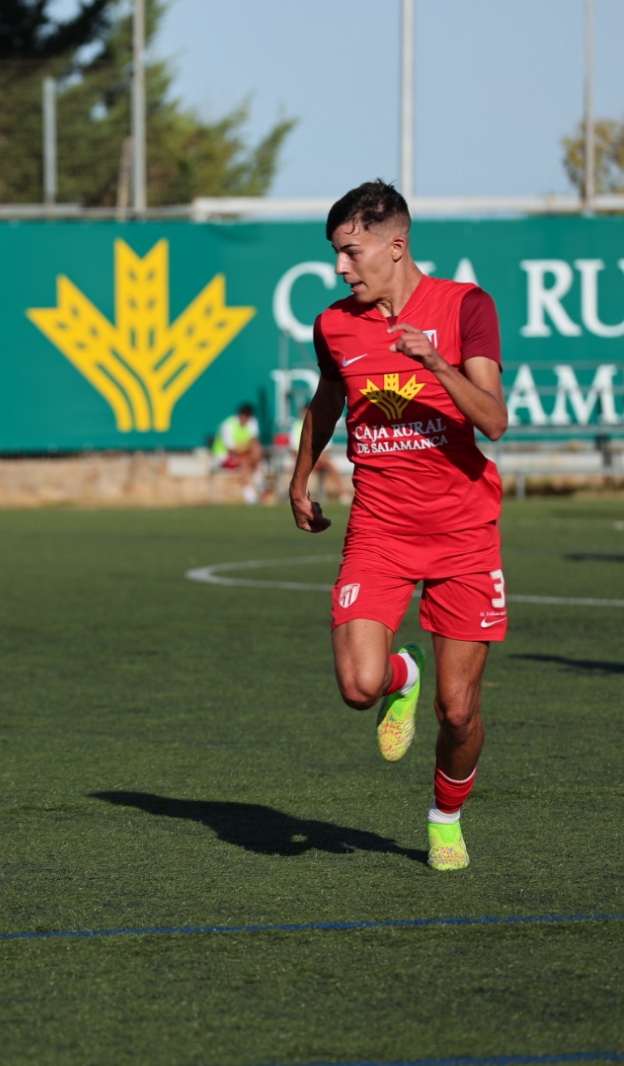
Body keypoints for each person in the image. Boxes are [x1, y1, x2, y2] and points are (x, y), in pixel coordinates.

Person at [288, 180, 507, 872]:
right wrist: (298, 478)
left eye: (351, 252)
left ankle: (445, 817)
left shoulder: (465, 306)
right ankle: (401, 673)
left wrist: (434, 362)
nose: (340, 268)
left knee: (458, 711)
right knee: (359, 687)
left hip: (464, 533)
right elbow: (326, 401)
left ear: (396, 245)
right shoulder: (333, 325)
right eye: (335, 253)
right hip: (380, 529)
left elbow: (494, 421)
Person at [213, 402, 265, 504]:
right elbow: (231, 449)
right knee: (245, 463)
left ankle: (261, 488)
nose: (246, 420)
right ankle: (251, 496)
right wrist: (247, 453)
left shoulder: (252, 422)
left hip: (243, 454)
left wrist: (254, 453)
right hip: (224, 456)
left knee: (255, 453)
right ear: (240, 415)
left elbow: (254, 441)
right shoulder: (228, 425)